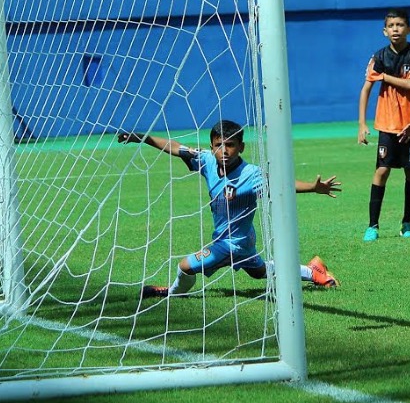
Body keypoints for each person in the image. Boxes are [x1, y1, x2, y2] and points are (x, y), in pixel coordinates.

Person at [117, 120, 341, 297]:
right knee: (259, 272)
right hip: (239, 239)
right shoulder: (206, 160)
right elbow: (175, 147)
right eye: (218, 145)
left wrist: (313, 187)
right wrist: (142, 138)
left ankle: (170, 293)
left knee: (185, 266)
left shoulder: (252, 175)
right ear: (212, 146)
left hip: (233, 243)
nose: (224, 151)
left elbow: (282, 184)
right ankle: (314, 272)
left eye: (230, 145)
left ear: (241, 147)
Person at [357, 9, 410, 242]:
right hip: (387, 123)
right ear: (384, 30)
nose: (396, 29)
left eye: (400, 25)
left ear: (409, 29)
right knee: (382, 170)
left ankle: (407, 222)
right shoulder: (378, 56)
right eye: (391, 25)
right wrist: (361, 123)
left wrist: (386, 78)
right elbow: (366, 87)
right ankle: (373, 225)